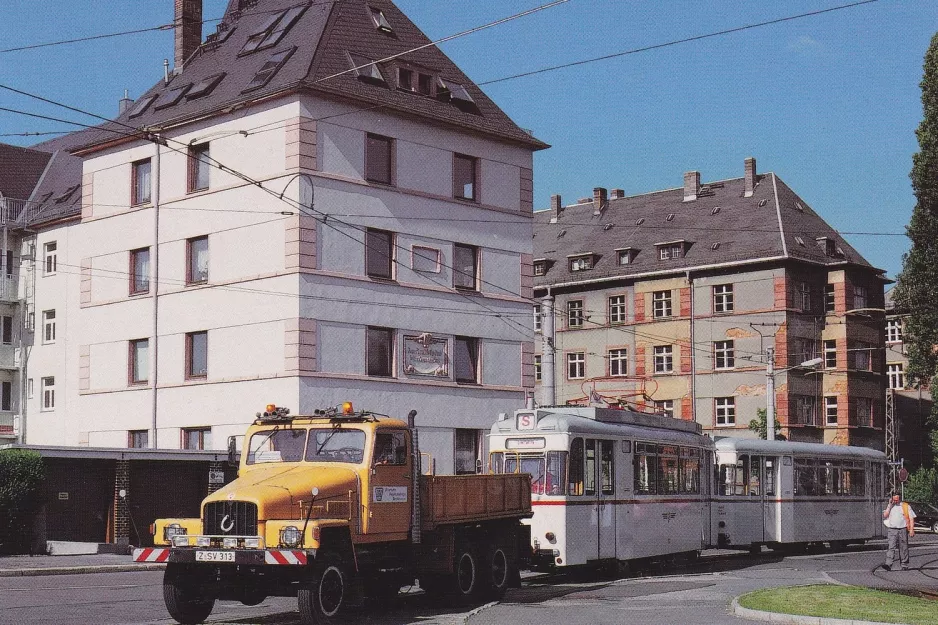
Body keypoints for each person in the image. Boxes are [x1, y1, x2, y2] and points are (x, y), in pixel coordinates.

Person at [883, 492, 916, 571]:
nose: (896, 501)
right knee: (891, 547)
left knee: (903, 547)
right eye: (894, 499)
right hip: (892, 529)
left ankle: (904, 565)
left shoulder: (905, 506)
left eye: (897, 499)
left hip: (903, 529)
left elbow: (911, 518)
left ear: (900, 498)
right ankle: (888, 564)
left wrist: (911, 529)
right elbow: (885, 515)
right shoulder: (890, 506)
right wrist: (889, 505)